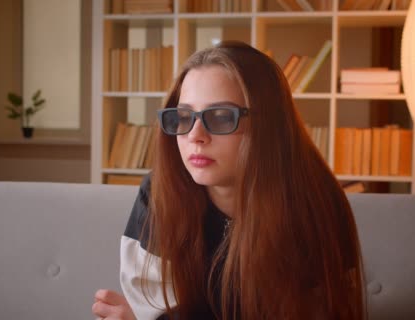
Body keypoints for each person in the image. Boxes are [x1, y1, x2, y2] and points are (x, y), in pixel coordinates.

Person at [92, 41, 365, 320]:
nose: (195, 135)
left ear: (267, 126)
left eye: (221, 118)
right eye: (184, 116)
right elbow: (151, 308)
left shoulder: (315, 206)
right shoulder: (160, 192)